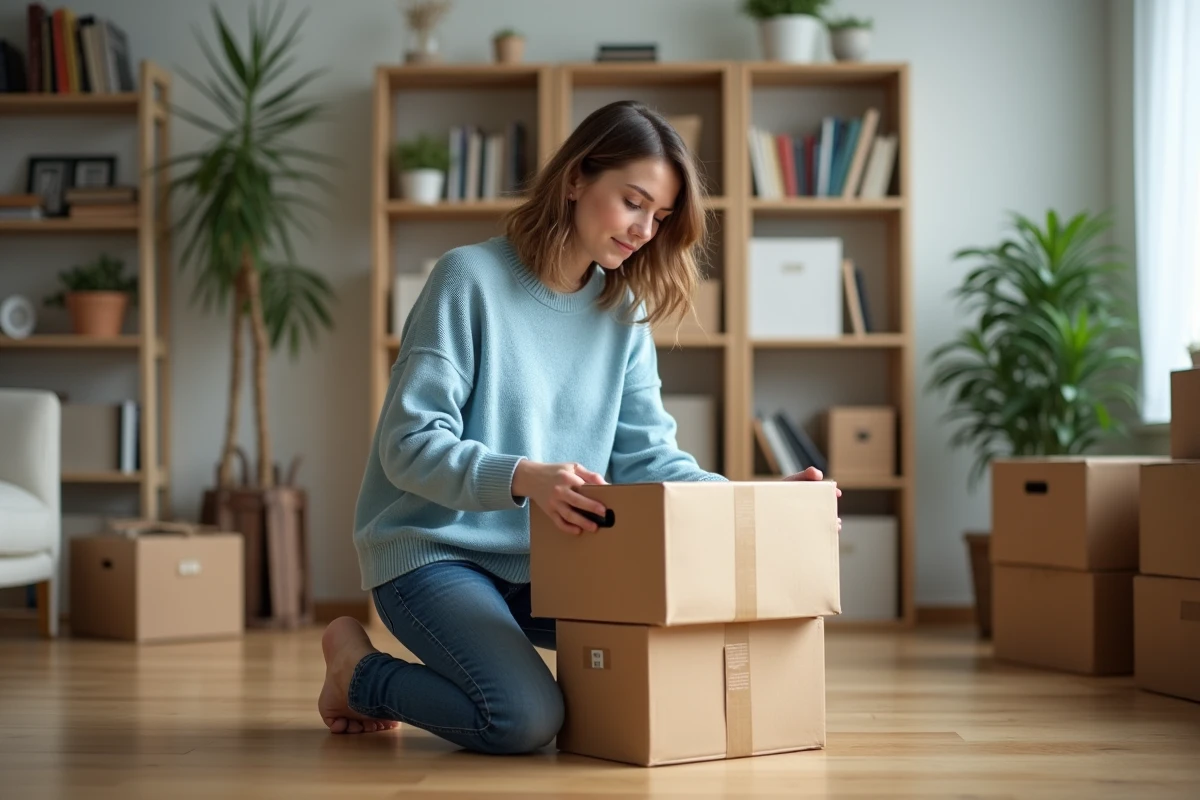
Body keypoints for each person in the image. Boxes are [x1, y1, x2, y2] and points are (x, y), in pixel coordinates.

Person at [317, 99, 838, 753]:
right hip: (436, 551)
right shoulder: (467, 279)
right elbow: (407, 446)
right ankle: (355, 672)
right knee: (524, 720)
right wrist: (525, 477)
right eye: (633, 202)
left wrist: (757, 502)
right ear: (574, 180)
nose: (645, 229)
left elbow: (651, 461)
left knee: (687, 630)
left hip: (553, 564)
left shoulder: (624, 313)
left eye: (661, 216)